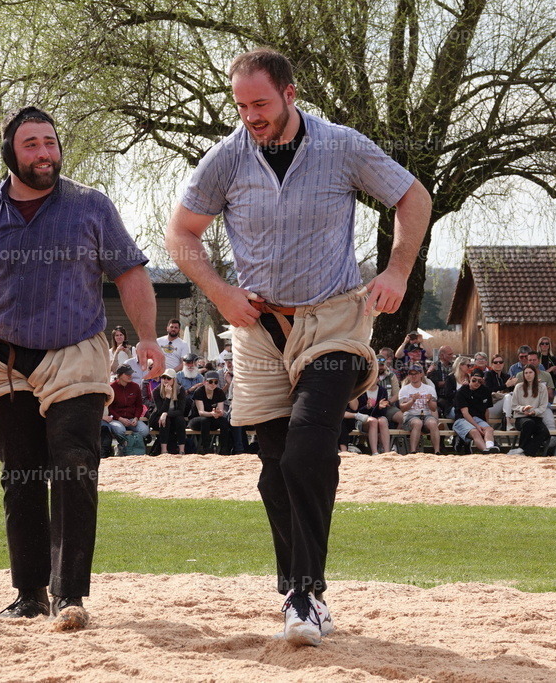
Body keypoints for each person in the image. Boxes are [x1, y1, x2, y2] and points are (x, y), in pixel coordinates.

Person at [165, 48, 430, 646]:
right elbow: (180, 233)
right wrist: (220, 292)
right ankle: (299, 592)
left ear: (290, 94)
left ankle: (306, 594)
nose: (250, 116)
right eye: (240, 106)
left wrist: (397, 270)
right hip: (259, 328)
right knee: (273, 470)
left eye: (260, 103)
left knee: (307, 449)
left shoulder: (341, 146)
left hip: (334, 320)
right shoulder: (227, 157)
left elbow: (413, 197)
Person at [0, 105, 162, 630]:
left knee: (74, 464)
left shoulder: (91, 206)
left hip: (76, 352)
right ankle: (29, 594)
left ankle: (69, 595)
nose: (45, 153)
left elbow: (131, 272)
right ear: (10, 152)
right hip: (4, 359)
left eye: (50, 142)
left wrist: (145, 337)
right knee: (20, 475)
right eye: (31, 144)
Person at [506, 365, 550, 457]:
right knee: (529, 423)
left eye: (530, 372)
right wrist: (523, 409)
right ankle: (522, 449)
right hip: (521, 417)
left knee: (544, 432)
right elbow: (514, 405)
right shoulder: (518, 387)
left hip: (536, 416)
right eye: (526, 373)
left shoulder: (542, 387)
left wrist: (534, 412)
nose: (528, 375)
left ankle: (525, 452)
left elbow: (543, 406)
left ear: (535, 374)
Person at [397, 364, 441, 454]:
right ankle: (413, 451)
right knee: (417, 423)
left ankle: (437, 451)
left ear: (421, 374)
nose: (413, 376)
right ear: (408, 375)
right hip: (410, 416)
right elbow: (402, 408)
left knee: (433, 423)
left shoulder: (429, 389)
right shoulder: (404, 389)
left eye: (416, 373)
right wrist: (412, 400)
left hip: (426, 415)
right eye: (411, 374)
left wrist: (429, 401)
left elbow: (434, 408)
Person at [106, 365, 150, 453]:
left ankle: (130, 447)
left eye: (131, 373)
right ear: (120, 375)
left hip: (132, 418)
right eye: (127, 374)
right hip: (116, 419)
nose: (130, 376)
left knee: (144, 430)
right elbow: (109, 407)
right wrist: (119, 418)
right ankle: (123, 447)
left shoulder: (135, 387)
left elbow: (139, 405)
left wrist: (136, 418)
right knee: (120, 430)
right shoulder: (111, 388)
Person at [453, 368, 498, 453]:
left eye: (480, 381)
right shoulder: (462, 391)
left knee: (489, 429)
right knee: (475, 432)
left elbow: (486, 410)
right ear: (470, 378)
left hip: (479, 419)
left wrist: (486, 424)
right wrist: (477, 426)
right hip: (462, 419)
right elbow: (465, 413)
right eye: (474, 380)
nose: (477, 383)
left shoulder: (485, 391)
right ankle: (485, 450)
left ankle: (490, 447)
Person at [188, 370, 232, 454]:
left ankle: (224, 449)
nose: (213, 384)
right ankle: (206, 449)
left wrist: (218, 413)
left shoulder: (219, 392)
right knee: (205, 420)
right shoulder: (199, 391)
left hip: (212, 419)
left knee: (224, 421)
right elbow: (201, 412)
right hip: (196, 420)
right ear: (205, 382)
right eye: (210, 382)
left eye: (216, 382)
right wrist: (212, 414)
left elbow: (221, 411)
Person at [349, 374, 390, 456]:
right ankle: (375, 452)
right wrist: (367, 407)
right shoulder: (361, 391)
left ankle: (387, 451)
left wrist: (380, 407)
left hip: (378, 417)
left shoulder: (382, 391)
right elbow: (357, 410)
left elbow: (383, 412)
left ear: (378, 379)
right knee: (373, 421)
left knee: (383, 420)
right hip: (363, 419)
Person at [150, 373, 189, 455]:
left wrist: (166, 414)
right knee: (165, 421)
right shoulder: (156, 391)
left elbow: (180, 411)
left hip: (173, 417)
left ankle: (182, 450)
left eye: (168, 378)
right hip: (158, 418)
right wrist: (168, 396)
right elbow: (160, 411)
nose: (166, 380)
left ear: (174, 379)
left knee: (180, 419)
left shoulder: (180, 390)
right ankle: (164, 450)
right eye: (163, 378)